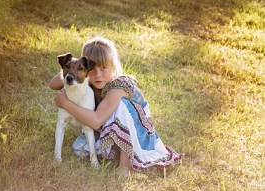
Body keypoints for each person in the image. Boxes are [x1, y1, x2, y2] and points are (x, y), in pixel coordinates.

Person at [50, 37, 184, 177]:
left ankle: (126, 166)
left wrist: (65, 103)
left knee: (121, 105)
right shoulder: (87, 80)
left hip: (138, 135)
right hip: (108, 129)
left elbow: (96, 120)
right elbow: (52, 85)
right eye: (92, 69)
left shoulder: (118, 86)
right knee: (79, 148)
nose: (98, 74)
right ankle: (116, 149)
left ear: (113, 67)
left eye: (103, 68)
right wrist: (72, 65)